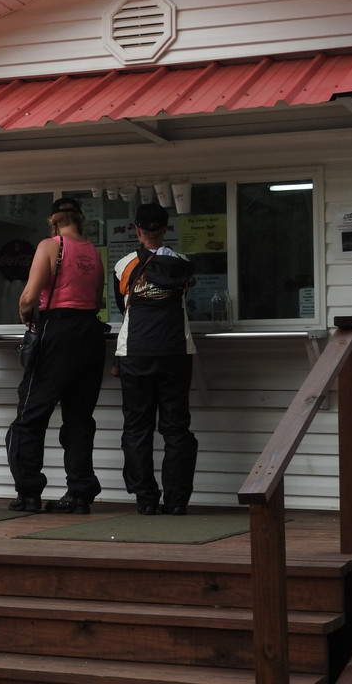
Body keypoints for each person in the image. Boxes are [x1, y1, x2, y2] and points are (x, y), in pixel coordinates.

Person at [6, 197, 106, 514]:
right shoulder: (93, 251)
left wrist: (27, 317)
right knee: (79, 419)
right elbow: (98, 300)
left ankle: (29, 492)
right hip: (90, 335)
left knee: (30, 414)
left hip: (57, 331)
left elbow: (27, 298)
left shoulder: (52, 245)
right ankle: (79, 494)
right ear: (79, 218)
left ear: (53, 220)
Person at [114, 203, 197, 516]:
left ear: (137, 229)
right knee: (176, 428)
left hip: (135, 352)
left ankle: (145, 499)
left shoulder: (123, 265)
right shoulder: (184, 263)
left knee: (137, 427)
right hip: (176, 351)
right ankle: (176, 501)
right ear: (165, 228)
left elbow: (122, 308)